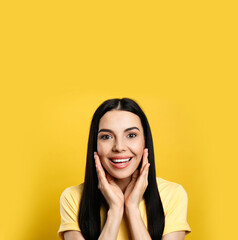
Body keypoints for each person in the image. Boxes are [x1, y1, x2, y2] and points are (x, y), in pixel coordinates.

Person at [58, 98, 191, 240]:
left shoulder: (172, 195)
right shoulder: (73, 198)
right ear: (94, 144)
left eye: (131, 135)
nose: (119, 147)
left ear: (145, 141)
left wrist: (132, 209)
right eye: (107, 136)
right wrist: (115, 211)